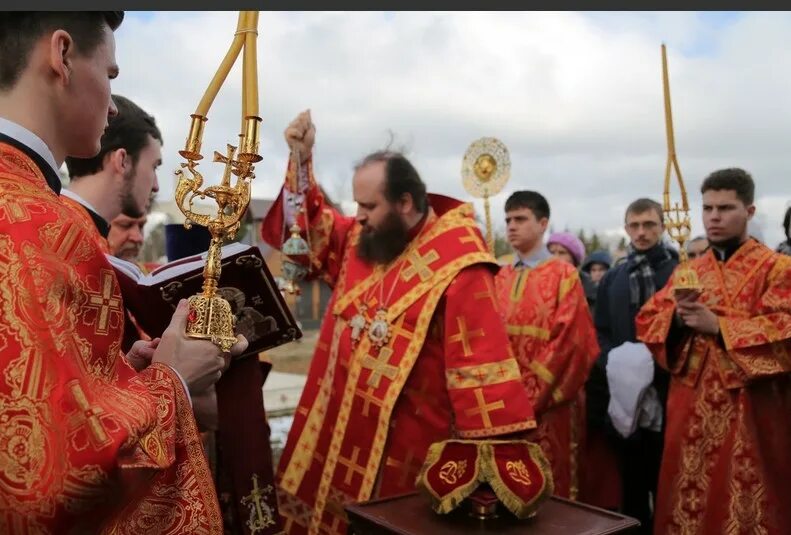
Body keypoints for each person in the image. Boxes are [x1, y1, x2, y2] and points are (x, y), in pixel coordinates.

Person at [0, 12, 246, 532]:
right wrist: (174, 380)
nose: (112, 105)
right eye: (109, 75)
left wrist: (117, 379)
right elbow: (44, 481)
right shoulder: (38, 223)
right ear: (62, 55)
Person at [261, 111, 537, 535]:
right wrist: (301, 160)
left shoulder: (460, 260)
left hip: (403, 449)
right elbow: (308, 234)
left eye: (369, 206)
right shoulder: (367, 238)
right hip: (336, 427)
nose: (359, 216)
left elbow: (481, 376)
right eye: (357, 205)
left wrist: (485, 472)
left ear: (405, 203)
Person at [637, 168, 791, 534]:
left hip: (750, 409)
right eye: (707, 208)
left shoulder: (778, 268)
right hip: (690, 406)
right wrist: (677, 320)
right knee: (686, 500)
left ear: (749, 211)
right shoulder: (690, 269)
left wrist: (719, 326)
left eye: (725, 208)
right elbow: (647, 319)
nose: (714, 217)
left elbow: (785, 330)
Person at [494, 194, 598, 499]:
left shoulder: (564, 275)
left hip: (546, 406)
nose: (511, 226)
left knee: (547, 490)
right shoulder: (497, 274)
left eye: (520, 219)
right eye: (508, 220)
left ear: (542, 224)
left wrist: (526, 399)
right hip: (499, 405)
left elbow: (571, 343)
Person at [585, 198, 678, 527]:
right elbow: (600, 329)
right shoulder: (615, 277)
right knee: (631, 485)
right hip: (623, 394)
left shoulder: (679, 272)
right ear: (626, 228)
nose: (641, 232)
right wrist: (615, 360)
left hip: (668, 389)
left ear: (662, 227)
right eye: (635, 225)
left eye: (649, 224)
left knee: (668, 485)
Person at [64, 93, 161, 253]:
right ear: (122, 161)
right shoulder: (72, 246)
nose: (156, 186)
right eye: (154, 166)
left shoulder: (68, 232)